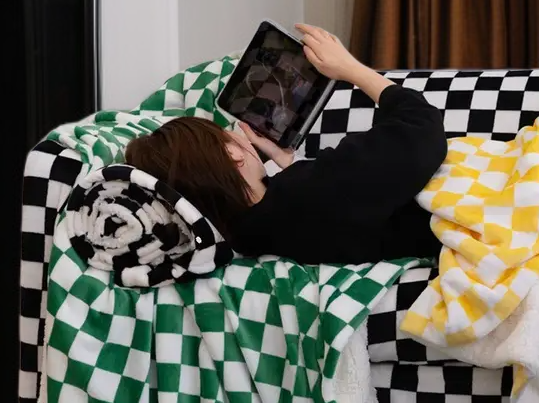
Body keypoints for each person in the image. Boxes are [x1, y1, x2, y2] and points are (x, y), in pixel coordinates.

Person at [125, 23, 448, 265]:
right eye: (228, 135)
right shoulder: (308, 191)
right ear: (232, 153)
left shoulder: (248, 237)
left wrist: (289, 164)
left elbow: (335, 208)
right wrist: (352, 69)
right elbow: (421, 130)